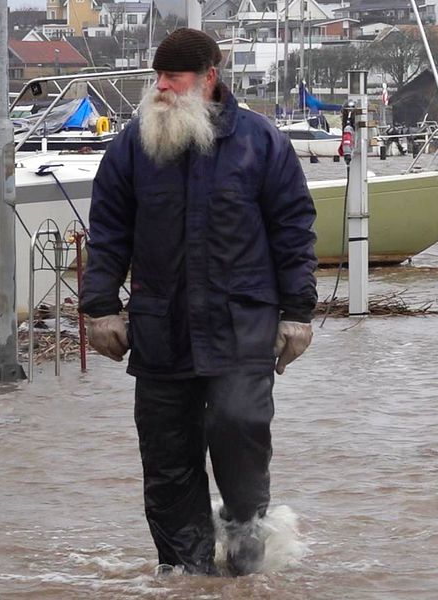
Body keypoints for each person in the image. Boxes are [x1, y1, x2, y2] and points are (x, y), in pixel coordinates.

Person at [79, 28, 317, 577]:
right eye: (157, 76)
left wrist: (298, 314)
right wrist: (100, 308)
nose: (161, 87)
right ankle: (187, 579)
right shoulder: (132, 147)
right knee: (167, 467)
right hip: (161, 331)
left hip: (242, 328)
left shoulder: (262, 142)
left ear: (209, 78)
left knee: (239, 438)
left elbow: (294, 230)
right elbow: (109, 231)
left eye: (173, 77)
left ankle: (245, 561)